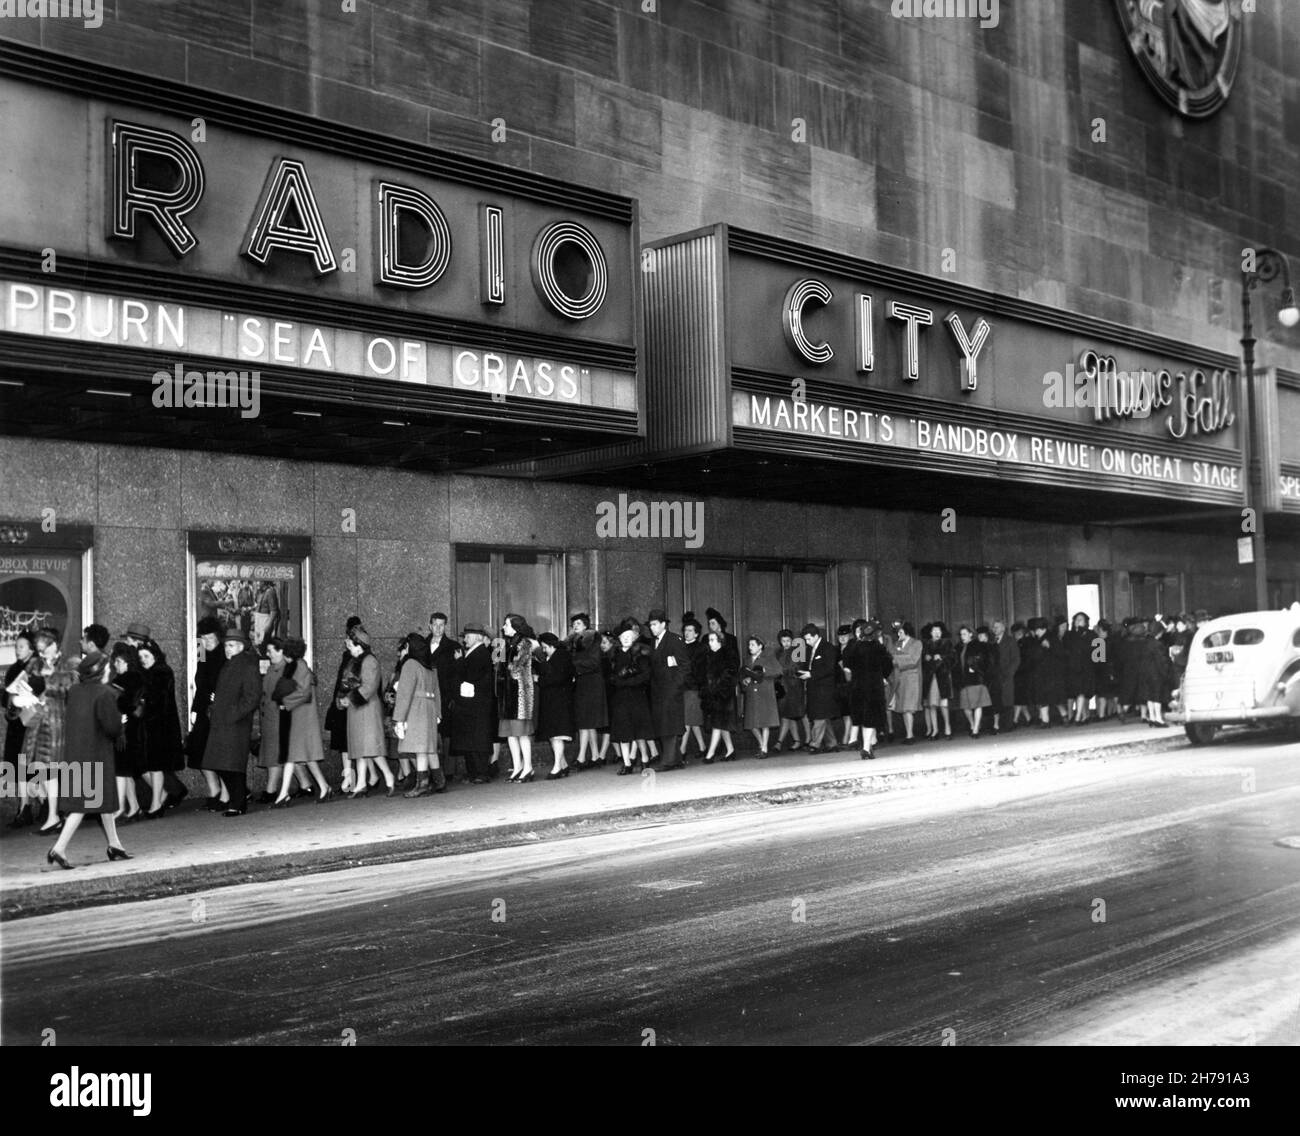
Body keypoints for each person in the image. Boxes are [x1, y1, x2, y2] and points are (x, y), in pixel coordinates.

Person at [44, 651, 130, 869]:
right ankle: (59, 848)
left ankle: (114, 844)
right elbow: (111, 727)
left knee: (102, 803)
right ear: (101, 670)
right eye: (107, 667)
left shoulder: (75, 691)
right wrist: (121, 723)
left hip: (76, 752)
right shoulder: (104, 693)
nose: (109, 670)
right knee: (83, 805)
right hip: (96, 754)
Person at [203, 629, 262, 816]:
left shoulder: (247, 666)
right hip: (223, 722)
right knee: (223, 764)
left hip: (235, 724)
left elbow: (251, 697)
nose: (227, 649)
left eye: (231, 646)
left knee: (232, 765)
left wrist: (232, 714)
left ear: (241, 646)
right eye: (226, 646)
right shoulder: (229, 665)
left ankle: (237, 803)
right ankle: (238, 800)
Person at [269, 636, 333, 804]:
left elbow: (304, 693)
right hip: (299, 715)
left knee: (294, 754)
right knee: (304, 755)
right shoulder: (299, 665)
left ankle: (284, 794)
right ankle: (324, 787)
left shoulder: (298, 666)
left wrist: (285, 702)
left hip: (300, 716)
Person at [27, 627, 77, 836]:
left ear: (54, 645)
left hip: (58, 724)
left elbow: (72, 686)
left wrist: (49, 680)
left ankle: (54, 816)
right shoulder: (34, 664)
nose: (42, 653)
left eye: (44, 648)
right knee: (40, 770)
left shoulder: (69, 664)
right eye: (39, 650)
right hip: (37, 722)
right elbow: (24, 685)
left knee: (51, 770)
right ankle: (55, 814)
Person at [342, 626, 395, 797]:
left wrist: (348, 699)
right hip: (359, 710)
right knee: (361, 749)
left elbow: (369, 687)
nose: (347, 645)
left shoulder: (369, 661)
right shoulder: (357, 660)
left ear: (359, 644)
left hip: (366, 710)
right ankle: (361, 784)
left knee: (371, 749)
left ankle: (389, 777)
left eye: (349, 643)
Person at [390, 631, 444, 797]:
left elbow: (405, 693)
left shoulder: (410, 664)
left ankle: (422, 784)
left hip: (416, 708)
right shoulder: (430, 666)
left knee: (420, 748)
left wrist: (398, 718)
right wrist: (438, 712)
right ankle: (439, 780)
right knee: (429, 747)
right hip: (429, 708)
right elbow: (437, 691)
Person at [135, 639, 185, 818]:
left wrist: (142, 702)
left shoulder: (160, 673)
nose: (143, 659)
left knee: (155, 766)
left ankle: (157, 804)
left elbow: (156, 701)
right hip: (153, 725)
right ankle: (160, 797)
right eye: (140, 657)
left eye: (146, 656)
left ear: (155, 655)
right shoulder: (152, 672)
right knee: (149, 766)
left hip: (159, 726)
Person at [187, 616, 228, 810]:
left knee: (217, 753)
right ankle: (214, 791)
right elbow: (199, 682)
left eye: (210, 638)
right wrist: (195, 709)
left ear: (218, 637)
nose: (207, 642)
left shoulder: (224, 653)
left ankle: (225, 794)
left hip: (219, 709)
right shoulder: (202, 651)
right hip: (204, 708)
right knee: (200, 752)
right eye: (204, 638)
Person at [842, 619, 893, 759]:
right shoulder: (878, 647)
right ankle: (866, 747)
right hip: (873, 687)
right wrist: (881, 675)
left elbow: (847, 663)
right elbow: (888, 665)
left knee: (862, 717)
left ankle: (866, 747)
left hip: (857, 686)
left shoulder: (855, 647)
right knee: (871, 718)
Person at [451, 624, 496, 783]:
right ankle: (475, 773)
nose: (465, 639)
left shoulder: (480, 653)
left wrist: (459, 662)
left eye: (468, 636)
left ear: (478, 637)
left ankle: (481, 773)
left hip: (476, 705)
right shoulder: (475, 652)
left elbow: (469, 676)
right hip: (473, 705)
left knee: (477, 741)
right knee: (473, 741)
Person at [3, 630, 39, 828]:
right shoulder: (14, 669)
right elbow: (5, 696)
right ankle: (24, 807)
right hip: (16, 723)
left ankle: (35, 806)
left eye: (21, 646)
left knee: (30, 765)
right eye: (16, 646)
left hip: (31, 722)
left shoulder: (35, 667)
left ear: (31, 648)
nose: (17, 650)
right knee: (17, 766)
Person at [609, 617, 653, 774]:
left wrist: (626, 682)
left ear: (634, 638)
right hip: (621, 699)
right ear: (619, 639)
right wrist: (619, 682)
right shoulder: (614, 656)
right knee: (623, 732)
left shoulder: (640, 654)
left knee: (640, 732)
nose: (626, 639)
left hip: (637, 697)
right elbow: (611, 677)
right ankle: (627, 763)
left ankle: (645, 759)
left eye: (629, 636)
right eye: (623, 637)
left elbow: (645, 676)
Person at [497, 614, 538, 782]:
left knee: (521, 733)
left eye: (506, 624)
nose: (503, 628)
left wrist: (504, 663)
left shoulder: (525, 643)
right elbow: (497, 664)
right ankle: (518, 767)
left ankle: (528, 767)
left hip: (520, 693)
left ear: (515, 626)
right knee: (510, 734)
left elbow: (515, 667)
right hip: (507, 693)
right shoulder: (504, 643)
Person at [646, 608, 687, 771]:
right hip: (658, 691)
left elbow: (684, 666)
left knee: (669, 724)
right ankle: (674, 759)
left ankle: (668, 760)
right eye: (651, 625)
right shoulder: (653, 642)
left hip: (670, 690)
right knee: (664, 724)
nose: (652, 627)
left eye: (655, 624)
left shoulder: (674, 640)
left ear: (663, 624)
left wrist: (675, 687)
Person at [325, 616, 362, 792]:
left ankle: (350, 780)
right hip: (347, 703)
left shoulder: (351, 657)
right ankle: (351, 780)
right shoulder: (351, 656)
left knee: (346, 746)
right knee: (347, 745)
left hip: (346, 703)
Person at [109, 642, 146, 822]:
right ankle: (134, 807)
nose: (115, 665)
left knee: (121, 770)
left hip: (124, 729)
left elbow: (122, 703)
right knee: (126, 771)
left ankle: (122, 808)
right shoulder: (137, 678)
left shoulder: (122, 681)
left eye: (118, 661)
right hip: (132, 727)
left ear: (126, 662)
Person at [566, 613, 606, 769]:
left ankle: (582, 757)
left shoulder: (591, 640)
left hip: (591, 683)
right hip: (585, 683)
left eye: (578, 623)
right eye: (573, 624)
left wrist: (574, 665)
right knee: (588, 722)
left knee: (586, 722)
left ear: (585, 626)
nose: (575, 626)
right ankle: (594, 756)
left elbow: (594, 662)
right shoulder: (576, 642)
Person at [426, 612, 462, 782]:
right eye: (435, 625)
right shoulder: (423, 645)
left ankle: (447, 771)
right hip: (427, 696)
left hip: (446, 697)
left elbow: (457, 674)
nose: (439, 628)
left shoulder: (453, 646)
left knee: (447, 734)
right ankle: (433, 771)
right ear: (430, 626)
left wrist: (452, 697)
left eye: (442, 625)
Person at [535, 632, 575, 778]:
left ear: (551, 645)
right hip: (554, 700)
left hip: (559, 701)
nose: (544, 650)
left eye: (545, 647)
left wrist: (539, 679)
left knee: (557, 735)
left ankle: (557, 767)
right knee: (553, 735)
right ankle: (562, 764)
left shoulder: (561, 656)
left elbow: (556, 677)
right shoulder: (555, 656)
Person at [700, 628, 739, 762]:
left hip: (723, 695)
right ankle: (730, 750)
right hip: (714, 695)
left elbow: (729, 676)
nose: (709, 643)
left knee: (717, 723)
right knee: (721, 723)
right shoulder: (710, 656)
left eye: (712, 640)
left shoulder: (727, 656)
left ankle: (710, 754)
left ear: (720, 642)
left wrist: (717, 688)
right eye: (709, 640)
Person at [799, 623, 839, 753]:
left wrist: (811, 674)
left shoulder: (828, 648)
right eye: (805, 639)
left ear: (816, 636)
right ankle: (832, 744)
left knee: (819, 716)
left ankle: (815, 744)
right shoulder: (810, 649)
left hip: (825, 688)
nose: (807, 641)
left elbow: (829, 668)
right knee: (822, 715)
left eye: (808, 639)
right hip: (814, 687)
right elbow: (808, 665)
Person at [740, 634, 782, 756]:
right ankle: (761, 743)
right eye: (749, 645)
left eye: (753, 645)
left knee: (765, 722)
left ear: (760, 646)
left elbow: (778, 671)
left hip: (765, 693)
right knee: (751, 723)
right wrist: (745, 680)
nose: (750, 647)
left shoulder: (768, 658)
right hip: (752, 694)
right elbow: (742, 675)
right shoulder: (748, 660)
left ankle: (764, 749)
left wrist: (764, 671)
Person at [955, 625, 992, 737]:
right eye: (961, 634)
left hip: (976, 679)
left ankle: (975, 729)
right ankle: (973, 724)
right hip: (964, 680)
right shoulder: (959, 647)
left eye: (965, 634)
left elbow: (985, 660)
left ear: (971, 634)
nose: (962, 637)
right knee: (966, 707)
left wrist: (975, 667)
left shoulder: (978, 645)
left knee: (978, 705)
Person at [679, 614, 708, 759]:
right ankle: (703, 747)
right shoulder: (680, 646)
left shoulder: (701, 648)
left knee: (687, 720)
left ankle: (682, 750)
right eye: (685, 630)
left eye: (690, 630)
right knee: (693, 720)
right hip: (683, 687)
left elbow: (698, 670)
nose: (687, 632)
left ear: (696, 633)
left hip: (693, 687)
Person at [1134, 617, 1172, 727]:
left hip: (1145, 673)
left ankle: (1151, 717)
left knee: (1149, 697)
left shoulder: (1145, 643)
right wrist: (1166, 673)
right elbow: (1161, 661)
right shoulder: (1158, 644)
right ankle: (1158, 719)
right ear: (1159, 632)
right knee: (1157, 697)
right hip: (1156, 674)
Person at [921, 622, 955, 740]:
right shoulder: (926, 644)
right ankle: (935, 730)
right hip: (930, 678)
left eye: (938, 631)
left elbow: (953, 659)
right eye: (934, 631)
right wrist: (926, 658)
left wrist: (941, 657)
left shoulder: (947, 643)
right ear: (930, 633)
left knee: (943, 705)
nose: (936, 633)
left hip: (942, 676)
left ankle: (947, 728)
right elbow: (921, 660)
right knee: (932, 705)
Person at [773, 628, 806, 751]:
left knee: (786, 715)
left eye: (788, 640)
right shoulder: (778, 653)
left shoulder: (797, 651)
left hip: (794, 687)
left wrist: (782, 672)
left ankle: (779, 742)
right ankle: (797, 740)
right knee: (789, 715)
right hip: (783, 687)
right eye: (783, 641)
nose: (786, 643)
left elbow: (798, 668)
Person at [890, 621, 922, 744]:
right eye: (897, 632)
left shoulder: (916, 643)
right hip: (899, 678)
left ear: (907, 631)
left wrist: (896, 659)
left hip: (911, 679)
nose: (898, 634)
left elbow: (913, 660)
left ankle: (910, 735)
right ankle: (909, 734)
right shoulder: (897, 643)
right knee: (903, 707)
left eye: (900, 631)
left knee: (908, 707)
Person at [1063, 612, 1096, 724]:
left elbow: (1098, 651)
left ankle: (1078, 717)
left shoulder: (1091, 634)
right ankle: (1082, 715)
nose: (1078, 621)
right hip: (1072, 667)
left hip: (1086, 667)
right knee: (1074, 692)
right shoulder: (1069, 634)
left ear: (1086, 621)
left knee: (1082, 692)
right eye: (1076, 619)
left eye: (1081, 619)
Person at [991, 620, 1020, 733]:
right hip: (995, 676)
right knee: (997, 700)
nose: (995, 629)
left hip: (1007, 675)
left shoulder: (1010, 640)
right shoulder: (992, 641)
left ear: (1003, 628)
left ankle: (1008, 725)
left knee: (1007, 699)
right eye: (994, 627)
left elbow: (1016, 659)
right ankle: (997, 725)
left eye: (997, 627)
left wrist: (1010, 673)